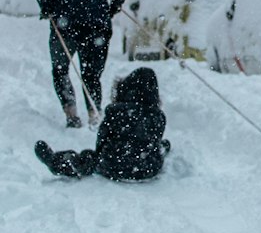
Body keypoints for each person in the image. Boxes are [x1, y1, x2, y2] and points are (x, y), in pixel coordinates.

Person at [30, 0, 134, 127]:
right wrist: (116, 1)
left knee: (61, 70)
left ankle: (71, 113)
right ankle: (94, 113)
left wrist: (46, 5)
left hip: (65, 24)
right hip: (97, 25)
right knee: (91, 74)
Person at [34, 67, 170, 181]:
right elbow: (154, 136)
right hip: (149, 168)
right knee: (153, 149)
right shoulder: (157, 116)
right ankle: (161, 149)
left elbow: (102, 140)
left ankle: (56, 162)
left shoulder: (116, 112)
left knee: (86, 159)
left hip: (113, 165)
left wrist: (100, 154)